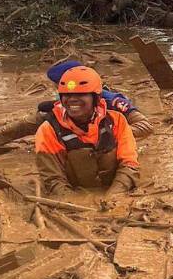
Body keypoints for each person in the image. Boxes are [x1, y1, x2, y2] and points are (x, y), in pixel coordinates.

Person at [0, 60, 153, 148]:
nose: (71, 99)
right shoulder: (63, 106)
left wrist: (110, 133)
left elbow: (146, 126)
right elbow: (28, 124)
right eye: (64, 92)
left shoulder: (113, 101)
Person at [35, 66, 139, 197]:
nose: (72, 99)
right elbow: (53, 179)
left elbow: (129, 164)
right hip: (73, 191)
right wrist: (78, 206)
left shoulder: (116, 120)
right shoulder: (48, 130)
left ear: (96, 97)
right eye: (67, 94)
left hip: (113, 189)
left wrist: (114, 197)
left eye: (81, 94)